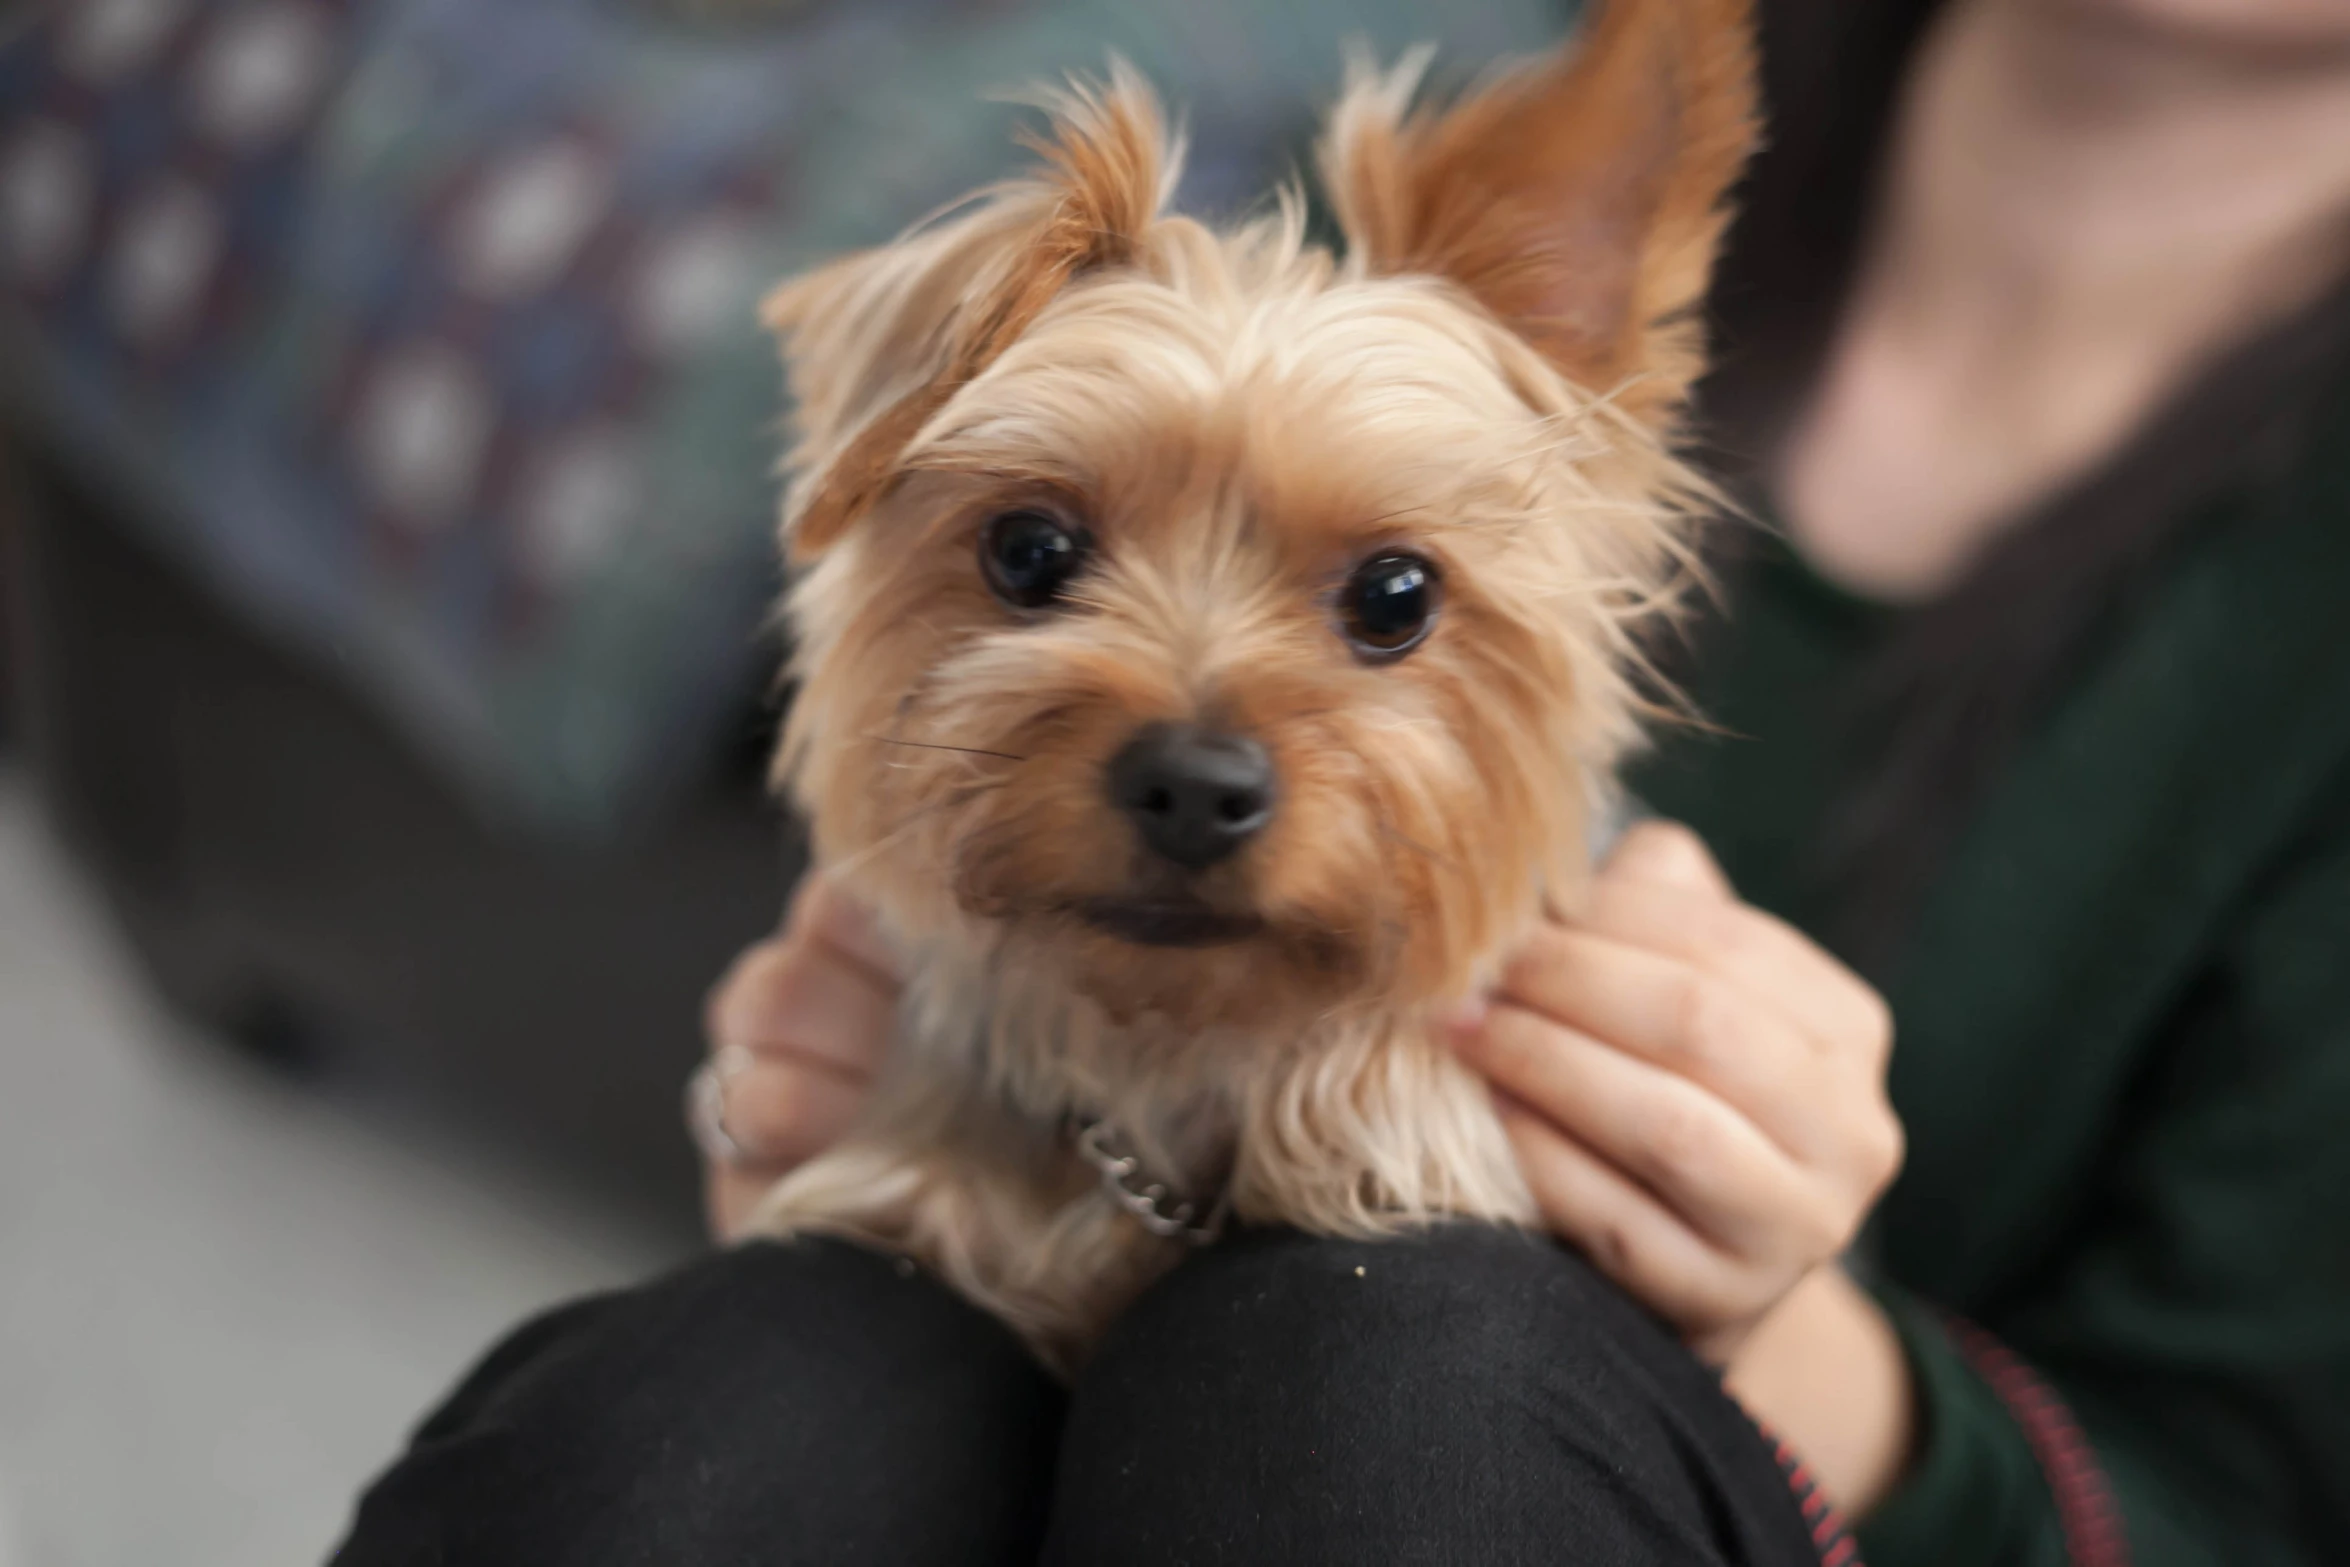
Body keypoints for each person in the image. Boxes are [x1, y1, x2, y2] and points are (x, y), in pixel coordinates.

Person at [334, 0, 2350, 1561]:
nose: (1200, 748)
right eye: (1046, 557)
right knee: (721, 1429)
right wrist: (836, 1102)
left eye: (1383, 599)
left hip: (1583, 1449)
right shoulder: (1472, 158)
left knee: (1373, 1381)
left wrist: (1799, 1341)